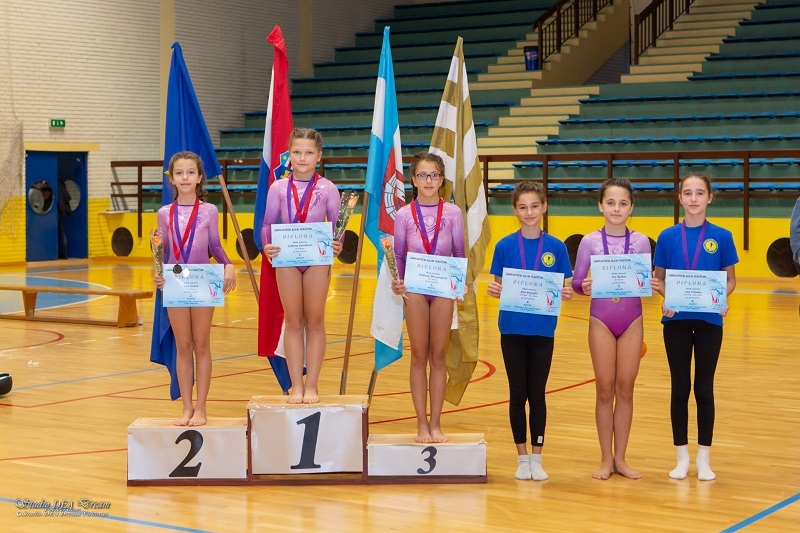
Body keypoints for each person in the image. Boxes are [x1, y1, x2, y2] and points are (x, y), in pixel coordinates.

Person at [486, 181, 573, 481]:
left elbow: (564, 286)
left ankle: (537, 457)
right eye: (523, 207)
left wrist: (567, 292)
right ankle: (521, 458)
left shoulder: (557, 247)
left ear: (544, 207)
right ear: (515, 210)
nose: (529, 212)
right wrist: (494, 290)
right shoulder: (504, 246)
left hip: (542, 330)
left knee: (537, 393)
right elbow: (497, 284)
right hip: (512, 328)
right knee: (517, 393)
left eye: (535, 206)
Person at [653, 172, 738, 481]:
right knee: (680, 388)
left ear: (709, 198)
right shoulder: (667, 236)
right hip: (675, 319)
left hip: (709, 321)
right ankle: (681, 457)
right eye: (687, 193)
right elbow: (659, 279)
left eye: (699, 193)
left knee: (703, 388)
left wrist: (721, 300)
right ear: (679, 198)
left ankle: (704, 458)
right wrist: (664, 296)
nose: (693, 198)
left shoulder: (723, 236)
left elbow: (730, 280)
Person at [572, 178, 654, 480]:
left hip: (631, 320)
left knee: (626, 388)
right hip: (601, 321)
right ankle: (606, 458)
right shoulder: (590, 241)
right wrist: (583, 286)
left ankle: (621, 458)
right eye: (610, 203)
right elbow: (577, 282)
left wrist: (651, 284)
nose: (616, 208)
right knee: (605, 389)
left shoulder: (642, 242)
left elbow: (643, 282)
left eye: (622, 203)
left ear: (631, 208)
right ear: (600, 206)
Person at [154, 151, 237, 426]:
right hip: (176, 284)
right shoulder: (164, 214)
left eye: (191, 172)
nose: (185, 177)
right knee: (183, 345)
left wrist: (229, 265)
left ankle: (201, 407)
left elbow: (215, 246)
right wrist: (158, 274)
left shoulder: (209, 211)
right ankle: (186, 407)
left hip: (202, 282)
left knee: (201, 344)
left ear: (200, 177)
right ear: (172, 179)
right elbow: (163, 252)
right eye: (179, 173)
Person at [261, 128, 343, 404]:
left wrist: (338, 243)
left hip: (317, 260)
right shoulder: (278, 188)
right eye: (297, 152)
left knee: (315, 320)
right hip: (287, 258)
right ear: (289, 155)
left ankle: (313, 385)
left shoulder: (328, 188)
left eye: (309, 152)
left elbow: (338, 226)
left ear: (319, 156)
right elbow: (267, 224)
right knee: (293, 321)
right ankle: (297, 384)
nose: (302, 157)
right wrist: (267, 245)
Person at [391, 152, 465, 443]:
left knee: (438, 356)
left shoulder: (453, 213)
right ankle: (421, 423)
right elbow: (399, 255)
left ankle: (436, 423)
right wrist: (399, 282)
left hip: (444, 288)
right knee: (419, 355)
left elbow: (459, 252)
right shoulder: (403, 215)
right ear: (413, 180)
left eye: (434, 175)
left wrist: (459, 284)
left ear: (442, 179)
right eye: (423, 175)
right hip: (416, 290)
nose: (429, 180)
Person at [57, 178, 73, 259]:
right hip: (62, 211)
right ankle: (64, 253)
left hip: (59, 212)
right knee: (61, 232)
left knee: (60, 232)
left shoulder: (55, 184)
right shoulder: (60, 184)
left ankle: (63, 252)